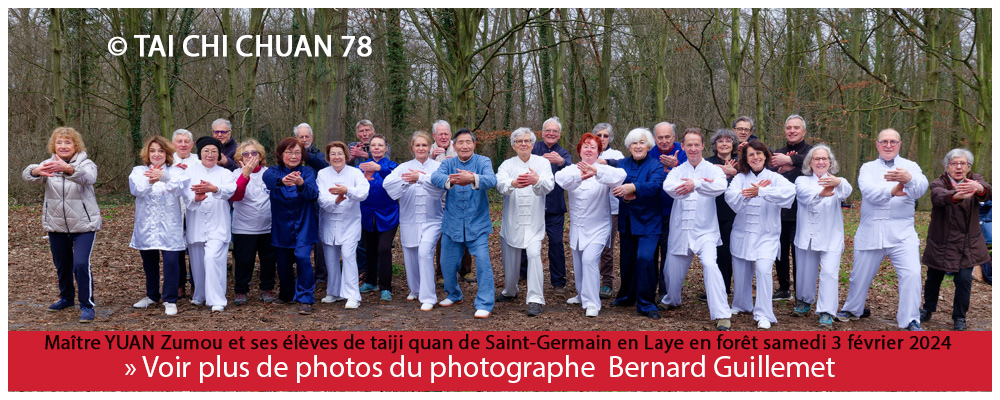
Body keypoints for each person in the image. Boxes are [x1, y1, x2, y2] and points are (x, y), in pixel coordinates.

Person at [838, 128, 929, 331]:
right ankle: (853, 309)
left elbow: (921, 188)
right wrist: (893, 190)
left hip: (902, 233)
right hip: (871, 230)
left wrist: (909, 179)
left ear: (899, 145)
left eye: (893, 142)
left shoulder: (910, 166)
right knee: (859, 275)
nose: (889, 145)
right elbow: (868, 192)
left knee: (912, 274)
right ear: (877, 145)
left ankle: (910, 319)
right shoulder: (867, 168)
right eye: (884, 141)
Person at [23, 127, 102, 323]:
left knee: (81, 264)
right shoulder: (48, 163)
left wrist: (70, 170)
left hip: (84, 225)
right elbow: (28, 175)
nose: (63, 146)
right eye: (59, 142)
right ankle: (66, 298)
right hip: (56, 224)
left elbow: (88, 178)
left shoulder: (87, 164)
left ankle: (87, 305)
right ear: (54, 145)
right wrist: (35, 170)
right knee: (62, 265)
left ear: (76, 145)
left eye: (68, 142)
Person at [660, 128, 731, 329]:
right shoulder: (677, 170)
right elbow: (669, 188)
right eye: (688, 145)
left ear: (702, 146)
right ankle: (672, 300)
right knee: (671, 275)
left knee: (710, 264)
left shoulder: (713, 169)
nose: (692, 149)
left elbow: (720, 187)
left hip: (705, 231)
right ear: (683, 147)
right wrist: (690, 187)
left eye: (696, 145)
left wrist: (696, 184)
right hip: (681, 231)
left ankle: (722, 314)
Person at [725, 140, 795, 329]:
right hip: (742, 233)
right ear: (746, 159)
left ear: (765, 156)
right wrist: (749, 194)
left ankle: (764, 313)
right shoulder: (739, 178)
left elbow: (789, 193)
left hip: (767, 235)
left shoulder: (775, 178)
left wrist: (762, 191)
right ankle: (741, 304)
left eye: (759, 153)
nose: (756, 157)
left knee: (764, 270)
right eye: (751, 155)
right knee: (741, 272)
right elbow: (731, 198)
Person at [555, 133, 626, 317]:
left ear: (598, 152)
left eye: (593, 147)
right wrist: (580, 176)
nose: (589, 150)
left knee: (589, 260)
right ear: (579, 150)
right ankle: (581, 294)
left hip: (599, 226)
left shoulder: (604, 169)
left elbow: (620, 176)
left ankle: (593, 302)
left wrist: (597, 172)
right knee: (578, 262)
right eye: (585, 146)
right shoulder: (571, 169)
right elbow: (561, 180)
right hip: (578, 226)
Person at [430, 128, 498, 318]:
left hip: (478, 223)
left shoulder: (483, 161)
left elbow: (491, 180)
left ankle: (484, 303)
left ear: (474, 144)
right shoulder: (448, 163)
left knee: (483, 263)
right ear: (454, 145)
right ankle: (454, 294)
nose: (465, 145)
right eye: (461, 142)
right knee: (446, 264)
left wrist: (472, 178)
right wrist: (451, 181)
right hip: (452, 223)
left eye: (468, 142)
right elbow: (435, 178)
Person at [920, 149, 991, 331]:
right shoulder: (938, 182)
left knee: (964, 281)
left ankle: (960, 317)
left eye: (963, 163)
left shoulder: (976, 179)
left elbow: (987, 192)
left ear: (969, 167)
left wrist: (979, 188)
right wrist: (955, 196)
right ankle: (927, 309)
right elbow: (937, 197)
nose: (959, 167)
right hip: (941, 243)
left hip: (968, 244)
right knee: (933, 279)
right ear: (946, 166)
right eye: (954, 163)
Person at [496, 128, 556, 316]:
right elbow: (499, 184)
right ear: (514, 145)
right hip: (511, 222)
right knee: (511, 263)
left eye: (527, 141)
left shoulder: (542, 163)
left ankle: (535, 299)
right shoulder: (506, 164)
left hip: (533, 222)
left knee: (533, 255)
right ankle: (511, 290)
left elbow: (549, 185)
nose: (524, 144)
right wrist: (513, 184)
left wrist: (536, 180)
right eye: (520, 141)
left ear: (532, 144)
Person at [385, 131, 447, 311]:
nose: (421, 148)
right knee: (411, 254)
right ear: (412, 148)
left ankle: (429, 297)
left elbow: (440, 187)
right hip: (409, 218)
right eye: (418, 145)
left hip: (432, 218)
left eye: (424, 145)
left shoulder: (438, 166)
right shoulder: (403, 167)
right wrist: (407, 183)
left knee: (425, 252)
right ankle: (415, 289)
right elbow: (388, 184)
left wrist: (420, 178)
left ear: (430, 147)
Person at [129, 136, 190, 316]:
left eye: (161, 151)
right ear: (147, 153)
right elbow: (137, 190)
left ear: (167, 153)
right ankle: (152, 295)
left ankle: (170, 299)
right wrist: (151, 180)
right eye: (153, 150)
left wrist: (164, 176)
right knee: (149, 261)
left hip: (169, 225)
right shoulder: (139, 171)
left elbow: (179, 188)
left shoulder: (177, 171)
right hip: (146, 224)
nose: (157, 154)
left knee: (171, 261)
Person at [793, 144, 852, 328]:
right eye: (816, 159)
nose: (820, 162)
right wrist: (821, 193)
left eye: (824, 158)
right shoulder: (802, 181)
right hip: (807, 234)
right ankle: (804, 300)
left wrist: (838, 183)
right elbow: (804, 196)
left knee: (829, 273)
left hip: (831, 235)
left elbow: (847, 190)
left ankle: (826, 311)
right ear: (810, 162)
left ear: (830, 162)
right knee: (805, 271)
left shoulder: (837, 180)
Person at [610, 128, 666, 319]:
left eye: (642, 142)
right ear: (629, 146)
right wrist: (624, 196)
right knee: (627, 261)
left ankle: (647, 303)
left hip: (649, 222)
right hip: (627, 219)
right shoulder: (621, 164)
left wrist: (633, 187)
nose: (638, 146)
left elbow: (654, 186)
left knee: (645, 259)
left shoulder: (656, 166)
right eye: (634, 143)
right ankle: (627, 296)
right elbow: (613, 182)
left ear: (649, 145)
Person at [263, 137, 319, 315]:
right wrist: (283, 181)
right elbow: (268, 179)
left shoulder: (308, 172)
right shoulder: (273, 171)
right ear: (281, 154)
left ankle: (306, 298)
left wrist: (300, 183)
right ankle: (286, 294)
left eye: (297, 152)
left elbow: (313, 194)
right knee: (283, 263)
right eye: (289, 152)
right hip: (281, 225)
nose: (293, 156)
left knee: (303, 258)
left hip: (304, 222)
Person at [183, 136, 237, 313]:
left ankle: (217, 299)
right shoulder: (189, 172)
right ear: (200, 153)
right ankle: (200, 295)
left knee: (213, 259)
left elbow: (231, 191)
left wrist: (215, 189)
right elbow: (184, 196)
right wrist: (196, 199)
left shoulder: (225, 173)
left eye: (214, 151)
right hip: (196, 223)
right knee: (197, 263)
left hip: (218, 224)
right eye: (206, 151)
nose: (210, 154)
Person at [316, 141, 370, 310]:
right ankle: (334, 292)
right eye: (333, 154)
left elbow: (363, 193)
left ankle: (353, 295)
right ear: (328, 157)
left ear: (346, 155)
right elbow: (322, 199)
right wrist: (336, 200)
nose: (336, 157)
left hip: (350, 222)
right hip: (329, 222)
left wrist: (347, 191)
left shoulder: (355, 173)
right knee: (330, 259)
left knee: (348, 256)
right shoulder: (323, 174)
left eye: (339, 153)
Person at [522, 117, 572, 296]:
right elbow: (521, 164)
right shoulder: (533, 149)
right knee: (526, 240)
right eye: (548, 131)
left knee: (556, 243)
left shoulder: (564, 154)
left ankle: (558, 281)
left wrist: (561, 163)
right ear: (542, 133)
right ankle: (523, 275)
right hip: (532, 204)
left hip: (555, 206)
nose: (551, 134)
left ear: (559, 134)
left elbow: (572, 173)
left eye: (555, 131)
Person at [770, 114, 813, 301]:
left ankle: (800, 291)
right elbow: (768, 171)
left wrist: (789, 161)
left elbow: (812, 162)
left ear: (804, 131)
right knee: (780, 251)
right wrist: (780, 168)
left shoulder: (812, 151)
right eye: (789, 128)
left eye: (796, 128)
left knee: (799, 253)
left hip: (802, 211)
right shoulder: (778, 152)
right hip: (778, 210)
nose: (792, 131)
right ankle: (784, 287)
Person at [230, 139, 277, 305]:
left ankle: (267, 289)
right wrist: (245, 174)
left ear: (260, 155)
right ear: (240, 157)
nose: (250, 156)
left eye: (254, 153)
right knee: (244, 261)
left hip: (268, 227)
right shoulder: (235, 174)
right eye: (246, 153)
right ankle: (241, 291)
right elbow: (236, 196)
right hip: (244, 227)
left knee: (269, 260)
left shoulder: (269, 173)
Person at [429, 119, 473, 282]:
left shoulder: (459, 148)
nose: (443, 137)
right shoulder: (429, 150)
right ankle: (441, 273)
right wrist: (431, 158)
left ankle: (466, 270)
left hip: (460, 197)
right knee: (443, 237)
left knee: (464, 232)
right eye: (440, 134)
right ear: (434, 135)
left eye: (446, 133)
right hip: (438, 201)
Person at [357, 135, 400, 302]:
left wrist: (378, 169)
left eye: (380, 145)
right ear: (369, 149)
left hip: (388, 214)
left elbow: (395, 178)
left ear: (386, 148)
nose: (376, 148)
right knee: (369, 248)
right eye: (373, 145)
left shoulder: (392, 165)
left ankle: (386, 287)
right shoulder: (361, 167)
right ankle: (370, 281)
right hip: (367, 214)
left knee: (383, 248)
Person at [648, 122, 687, 300]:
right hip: (651, 211)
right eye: (660, 137)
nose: (664, 141)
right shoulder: (649, 153)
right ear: (654, 138)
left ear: (674, 136)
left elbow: (693, 176)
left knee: (668, 253)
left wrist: (677, 165)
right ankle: (648, 290)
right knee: (649, 253)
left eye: (667, 137)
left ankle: (666, 291)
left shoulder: (684, 151)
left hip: (675, 212)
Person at [295, 122, 330, 285]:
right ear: (296, 138)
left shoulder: (320, 156)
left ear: (312, 137)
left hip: (316, 204)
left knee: (320, 242)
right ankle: (299, 275)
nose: (304, 139)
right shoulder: (291, 156)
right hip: (296, 204)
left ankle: (321, 276)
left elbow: (324, 167)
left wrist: (307, 156)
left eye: (306, 136)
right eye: (300, 137)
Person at [705, 129, 739, 298]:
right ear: (715, 145)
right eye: (720, 141)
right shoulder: (707, 163)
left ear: (733, 144)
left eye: (728, 140)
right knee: (713, 254)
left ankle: (725, 289)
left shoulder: (741, 163)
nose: (724, 143)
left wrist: (734, 173)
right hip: (711, 212)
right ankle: (713, 288)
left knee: (728, 252)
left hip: (733, 214)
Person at [594, 123, 625, 299]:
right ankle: (589, 282)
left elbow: (622, 168)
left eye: (605, 136)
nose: (602, 139)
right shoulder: (589, 152)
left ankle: (607, 282)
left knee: (607, 247)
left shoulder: (616, 155)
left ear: (610, 138)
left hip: (612, 208)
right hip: (593, 208)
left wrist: (605, 163)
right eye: (599, 135)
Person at [171, 129, 198, 299]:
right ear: (173, 144)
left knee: (194, 246)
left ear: (192, 144)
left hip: (195, 208)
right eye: (179, 141)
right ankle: (179, 284)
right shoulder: (167, 161)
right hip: (173, 209)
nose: (183, 144)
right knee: (177, 247)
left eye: (186, 141)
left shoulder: (199, 160)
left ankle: (196, 283)